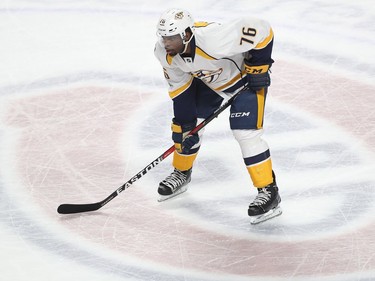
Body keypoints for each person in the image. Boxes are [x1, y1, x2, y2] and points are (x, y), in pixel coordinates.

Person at [154, 8, 281, 224]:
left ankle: (269, 192)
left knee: (245, 133)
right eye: (164, 37)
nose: (166, 43)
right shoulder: (164, 53)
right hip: (209, 83)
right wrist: (185, 125)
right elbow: (181, 91)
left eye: (171, 38)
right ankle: (181, 173)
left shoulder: (214, 40)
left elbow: (262, 29)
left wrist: (258, 67)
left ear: (186, 35)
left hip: (244, 82)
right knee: (189, 128)